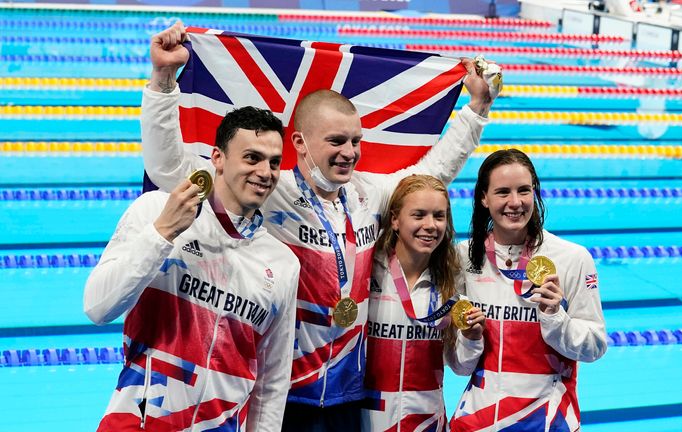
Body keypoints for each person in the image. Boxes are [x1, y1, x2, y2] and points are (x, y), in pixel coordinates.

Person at [141, 22, 497, 431]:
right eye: (336, 141)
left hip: (348, 394)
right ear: (300, 144)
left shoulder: (367, 195)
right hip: (281, 393)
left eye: (355, 141)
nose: (350, 153)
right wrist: (164, 81)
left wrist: (476, 109)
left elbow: (432, 174)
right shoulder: (270, 188)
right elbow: (170, 170)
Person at [83, 102, 300, 430]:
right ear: (218, 159)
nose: (265, 172)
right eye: (252, 158)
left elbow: (271, 384)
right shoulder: (156, 210)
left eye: (274, 163)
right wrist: (163, 233)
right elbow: (98, 307)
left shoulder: (283, 263)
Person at [449, 149, 608, 432]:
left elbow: (595, 346)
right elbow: (460, 367)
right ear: (483, 198)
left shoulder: (572, 258)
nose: (515, 202)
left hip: (547, 420)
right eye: (502, 192)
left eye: (524, 190)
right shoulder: (465, 258)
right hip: (479, 421)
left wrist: (555, 317)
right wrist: (470, 337)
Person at [364, 174, 486, 431]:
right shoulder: (367, 269)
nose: (431, 225)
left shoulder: (451, 278)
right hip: (366, 418)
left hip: (426, 422)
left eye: (439, 216)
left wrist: (472, 337)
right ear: (395, 220)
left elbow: (461, 367)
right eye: (419, 215)